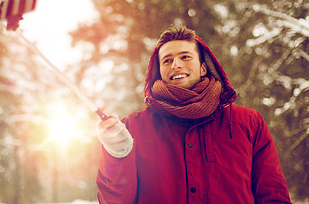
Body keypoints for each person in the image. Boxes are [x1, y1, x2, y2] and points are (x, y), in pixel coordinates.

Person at [96, 26, 292, 204]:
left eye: (185, 57)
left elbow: (273, 195)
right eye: (167, 60)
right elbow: (114, 201)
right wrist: (116, 154)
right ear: (159, 71)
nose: (176, 65)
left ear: (203, 67)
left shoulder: (249, 123)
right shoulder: (133, 127)